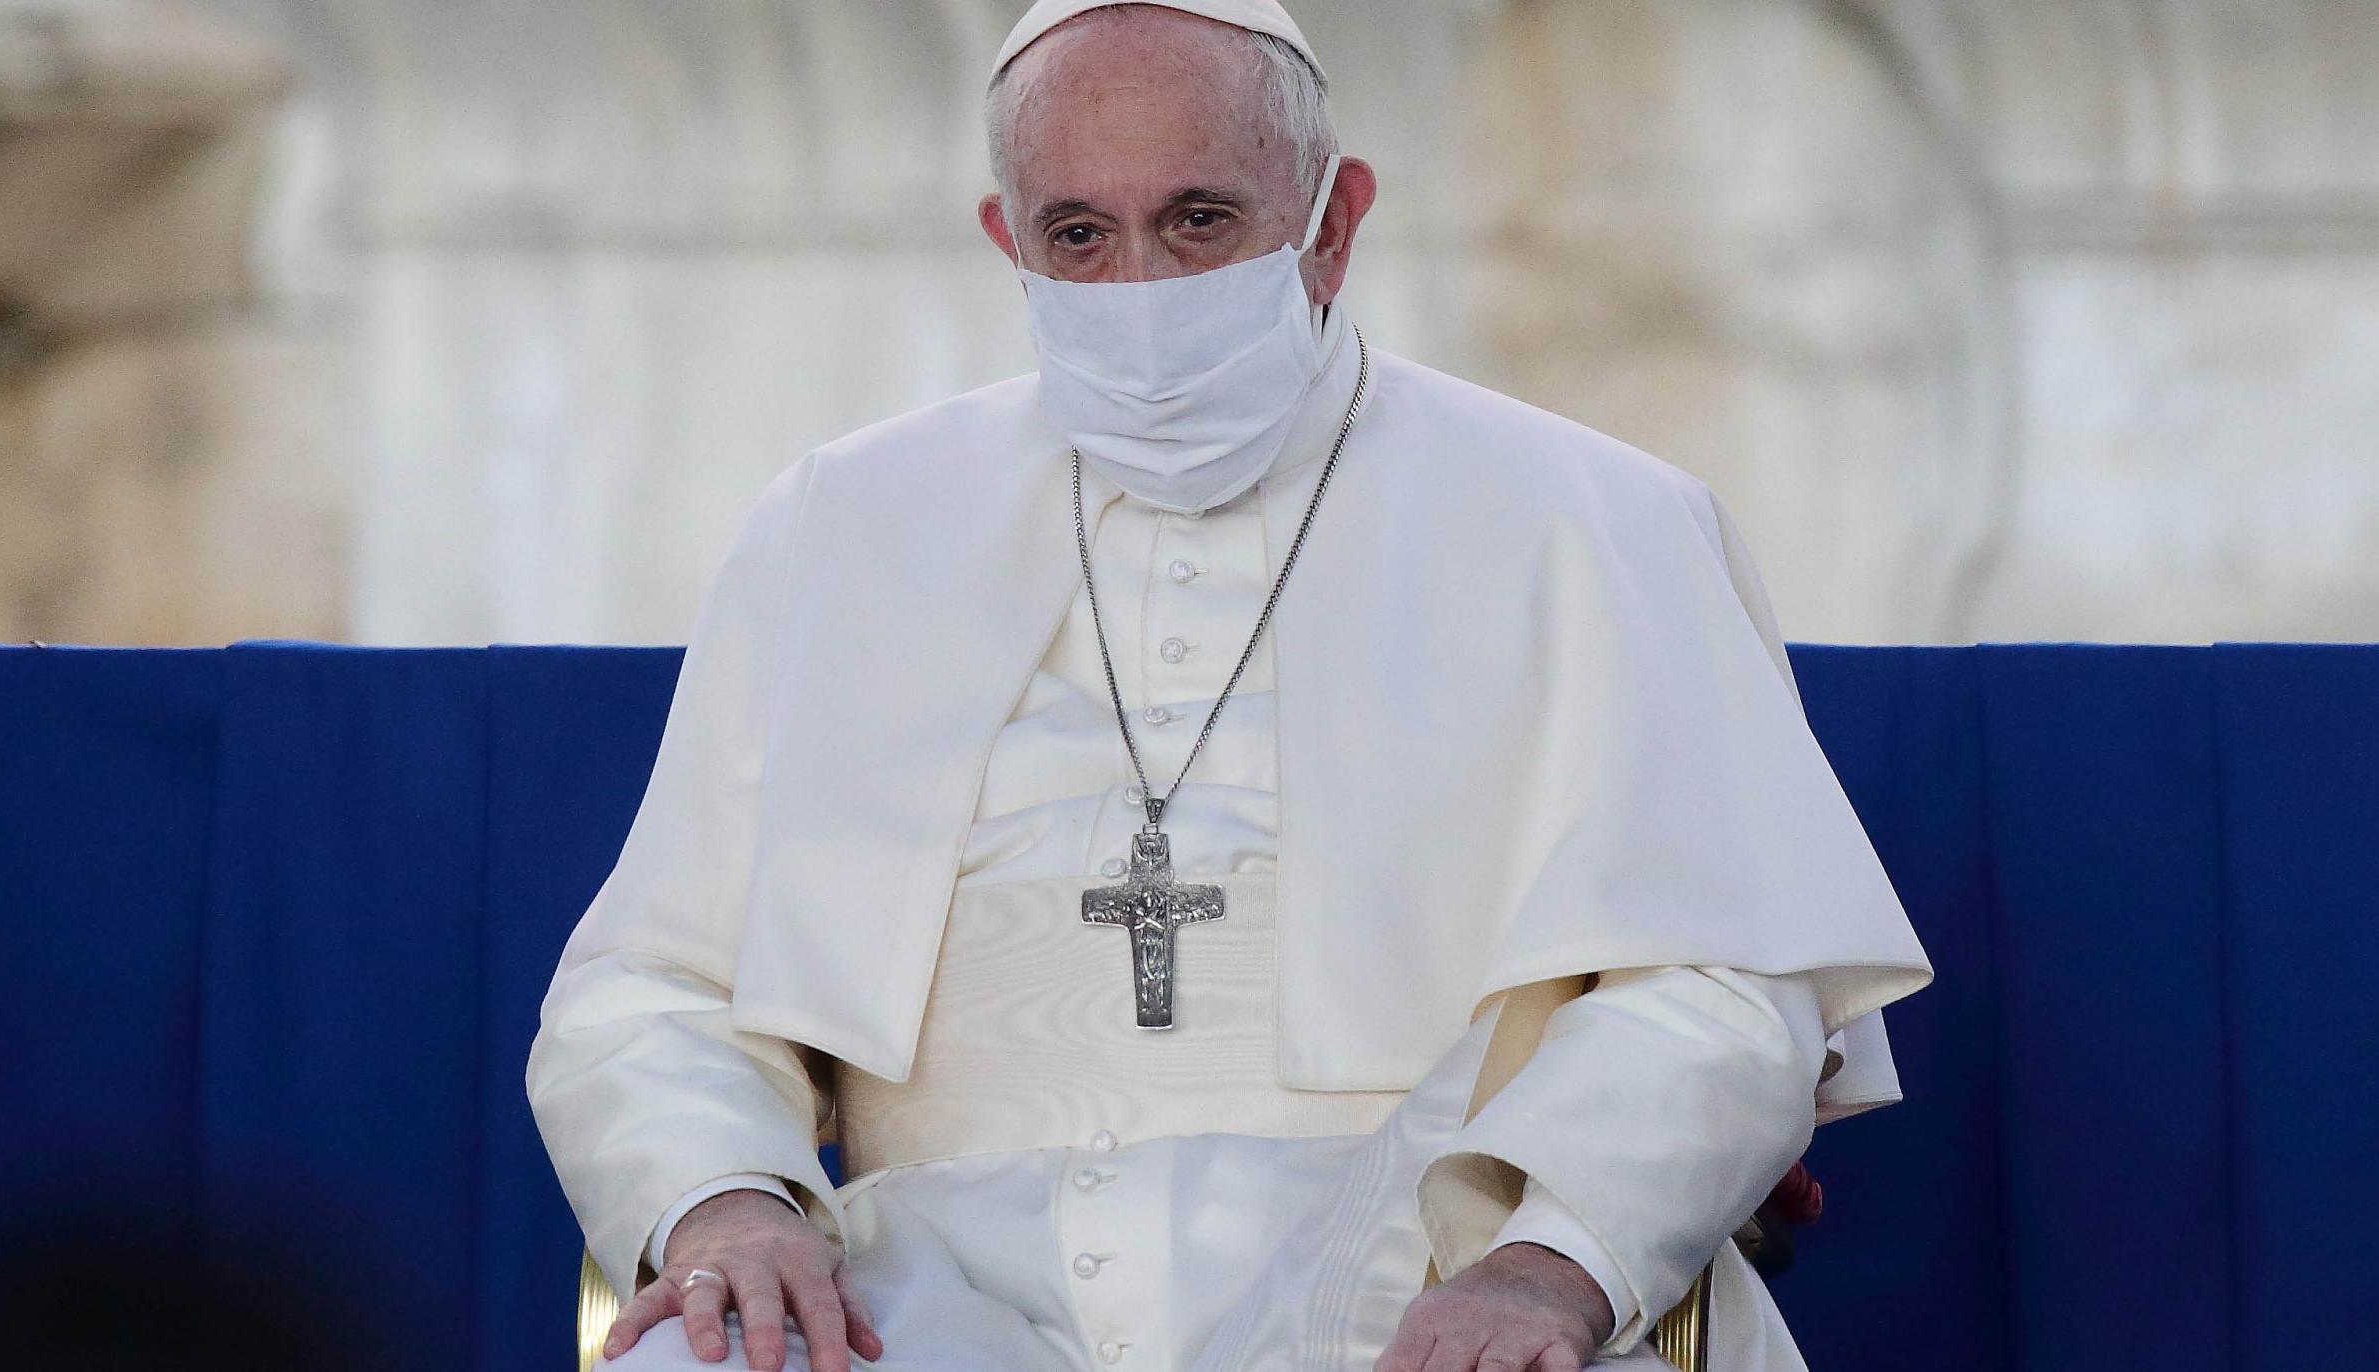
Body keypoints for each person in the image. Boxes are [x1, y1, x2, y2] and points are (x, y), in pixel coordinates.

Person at [525, 3, 1933, 1369]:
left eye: (1200, 220)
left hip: (1425, 1265)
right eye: (1079, 235)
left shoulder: (1594, 519)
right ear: (1007, 242)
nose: (1142, 290)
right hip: (934, 1286)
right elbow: (647, 987)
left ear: (1332, 223)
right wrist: (727, 1201)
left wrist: (1550, 1260)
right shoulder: (841, 522)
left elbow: (1729, 982)